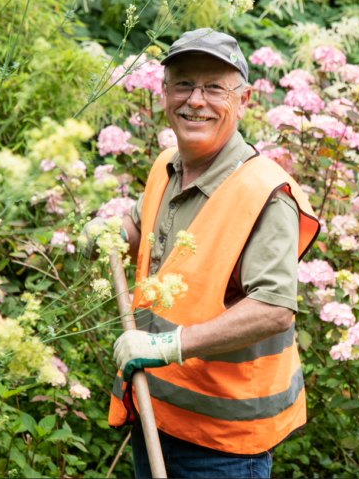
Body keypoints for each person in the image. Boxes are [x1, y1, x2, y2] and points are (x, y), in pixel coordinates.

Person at [83, 29, 320, 478]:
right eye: (184, 84)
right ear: (164, 93)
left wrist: (168, 345)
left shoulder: (265, 193)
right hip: (156, 414)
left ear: (243, 100)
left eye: (214, 87)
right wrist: (110, 232)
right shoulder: (168, 165)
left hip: (223, 445)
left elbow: (273, 309)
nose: (196, 100)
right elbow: (143, 227)